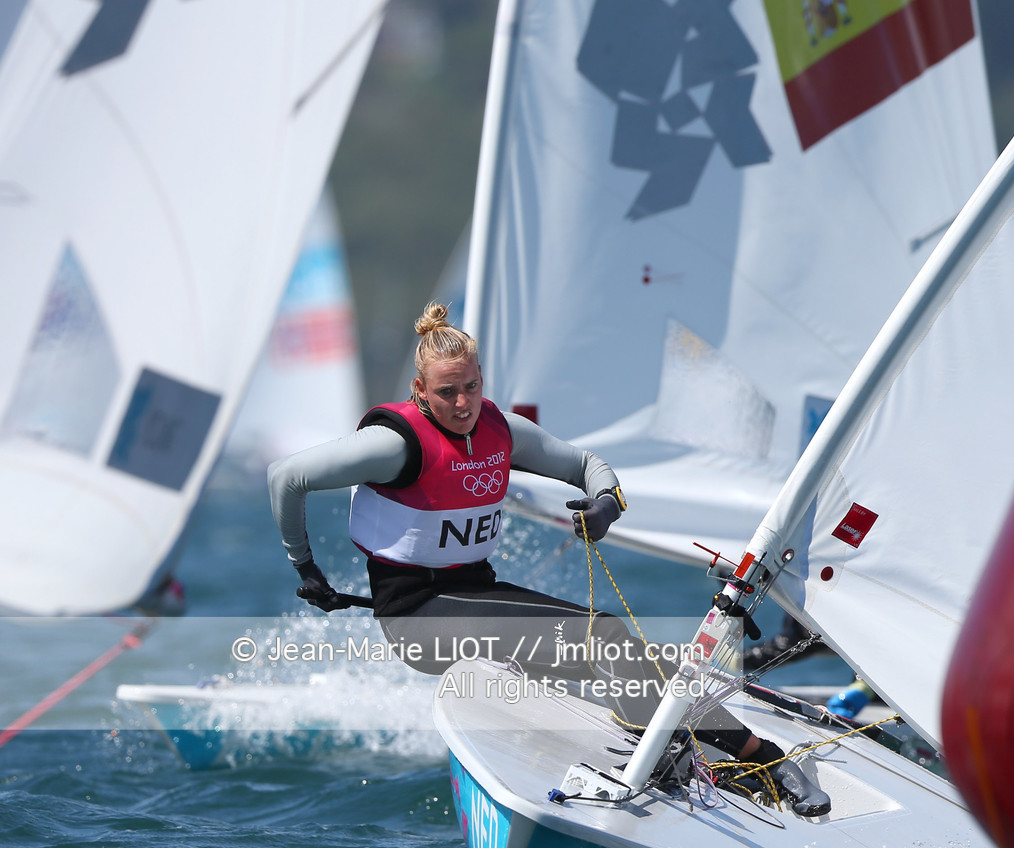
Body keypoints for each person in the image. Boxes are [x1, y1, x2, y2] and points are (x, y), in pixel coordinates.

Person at [267, 304, 829, 815]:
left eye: (471, 386)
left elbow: (586, 464)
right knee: (603, 637)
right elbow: (286, 477)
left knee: (622, 649)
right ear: (419, 390)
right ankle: (760, 759)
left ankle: (691, 746)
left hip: (477, 594)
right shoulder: (395, 446)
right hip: (416, 617)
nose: (462, 404)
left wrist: (605, 503)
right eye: (446, 393)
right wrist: (304, 566)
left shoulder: (498, 431)